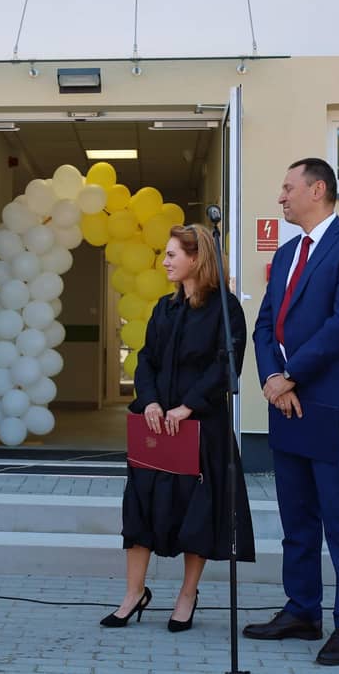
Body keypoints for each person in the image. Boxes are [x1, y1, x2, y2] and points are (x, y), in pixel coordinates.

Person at [245, 158, 339, 666]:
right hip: (287, 406)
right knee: (297, 518)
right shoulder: (286, 254)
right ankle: (302, 610)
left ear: (317, 189)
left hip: (331, 405)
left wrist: (291, 375)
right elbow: (264, 326)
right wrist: (272, 380)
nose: (281, 197)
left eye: (288, 187)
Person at [101, 224, 255, 632]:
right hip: (157, 426)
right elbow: (146, 359)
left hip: (200, 428)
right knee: (139, 509)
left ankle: (187, 596)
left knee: (195, 515)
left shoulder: (225, 309)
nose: (165, 262)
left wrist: (189, 406)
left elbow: (226, 365)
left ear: (196, 258)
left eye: (172, 255)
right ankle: (134, 593)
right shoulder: (164, 308)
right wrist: (150, 400)